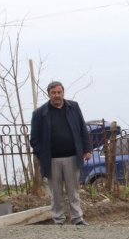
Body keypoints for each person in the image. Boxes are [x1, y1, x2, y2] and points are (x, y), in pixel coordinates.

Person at [29, 81, 93, 226]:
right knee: (56, 193)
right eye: (54, 93)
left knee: (74, 192)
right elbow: (34, 138)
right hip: (51, 160)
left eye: (59, 92)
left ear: (63, 93)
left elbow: (82, 128)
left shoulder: (73, 107)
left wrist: (87, 149)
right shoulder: (39, 114)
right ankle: (59, 220)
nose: (57, 95)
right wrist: (41, 154)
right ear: (49, 94)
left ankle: (77, 218)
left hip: (72, 157)